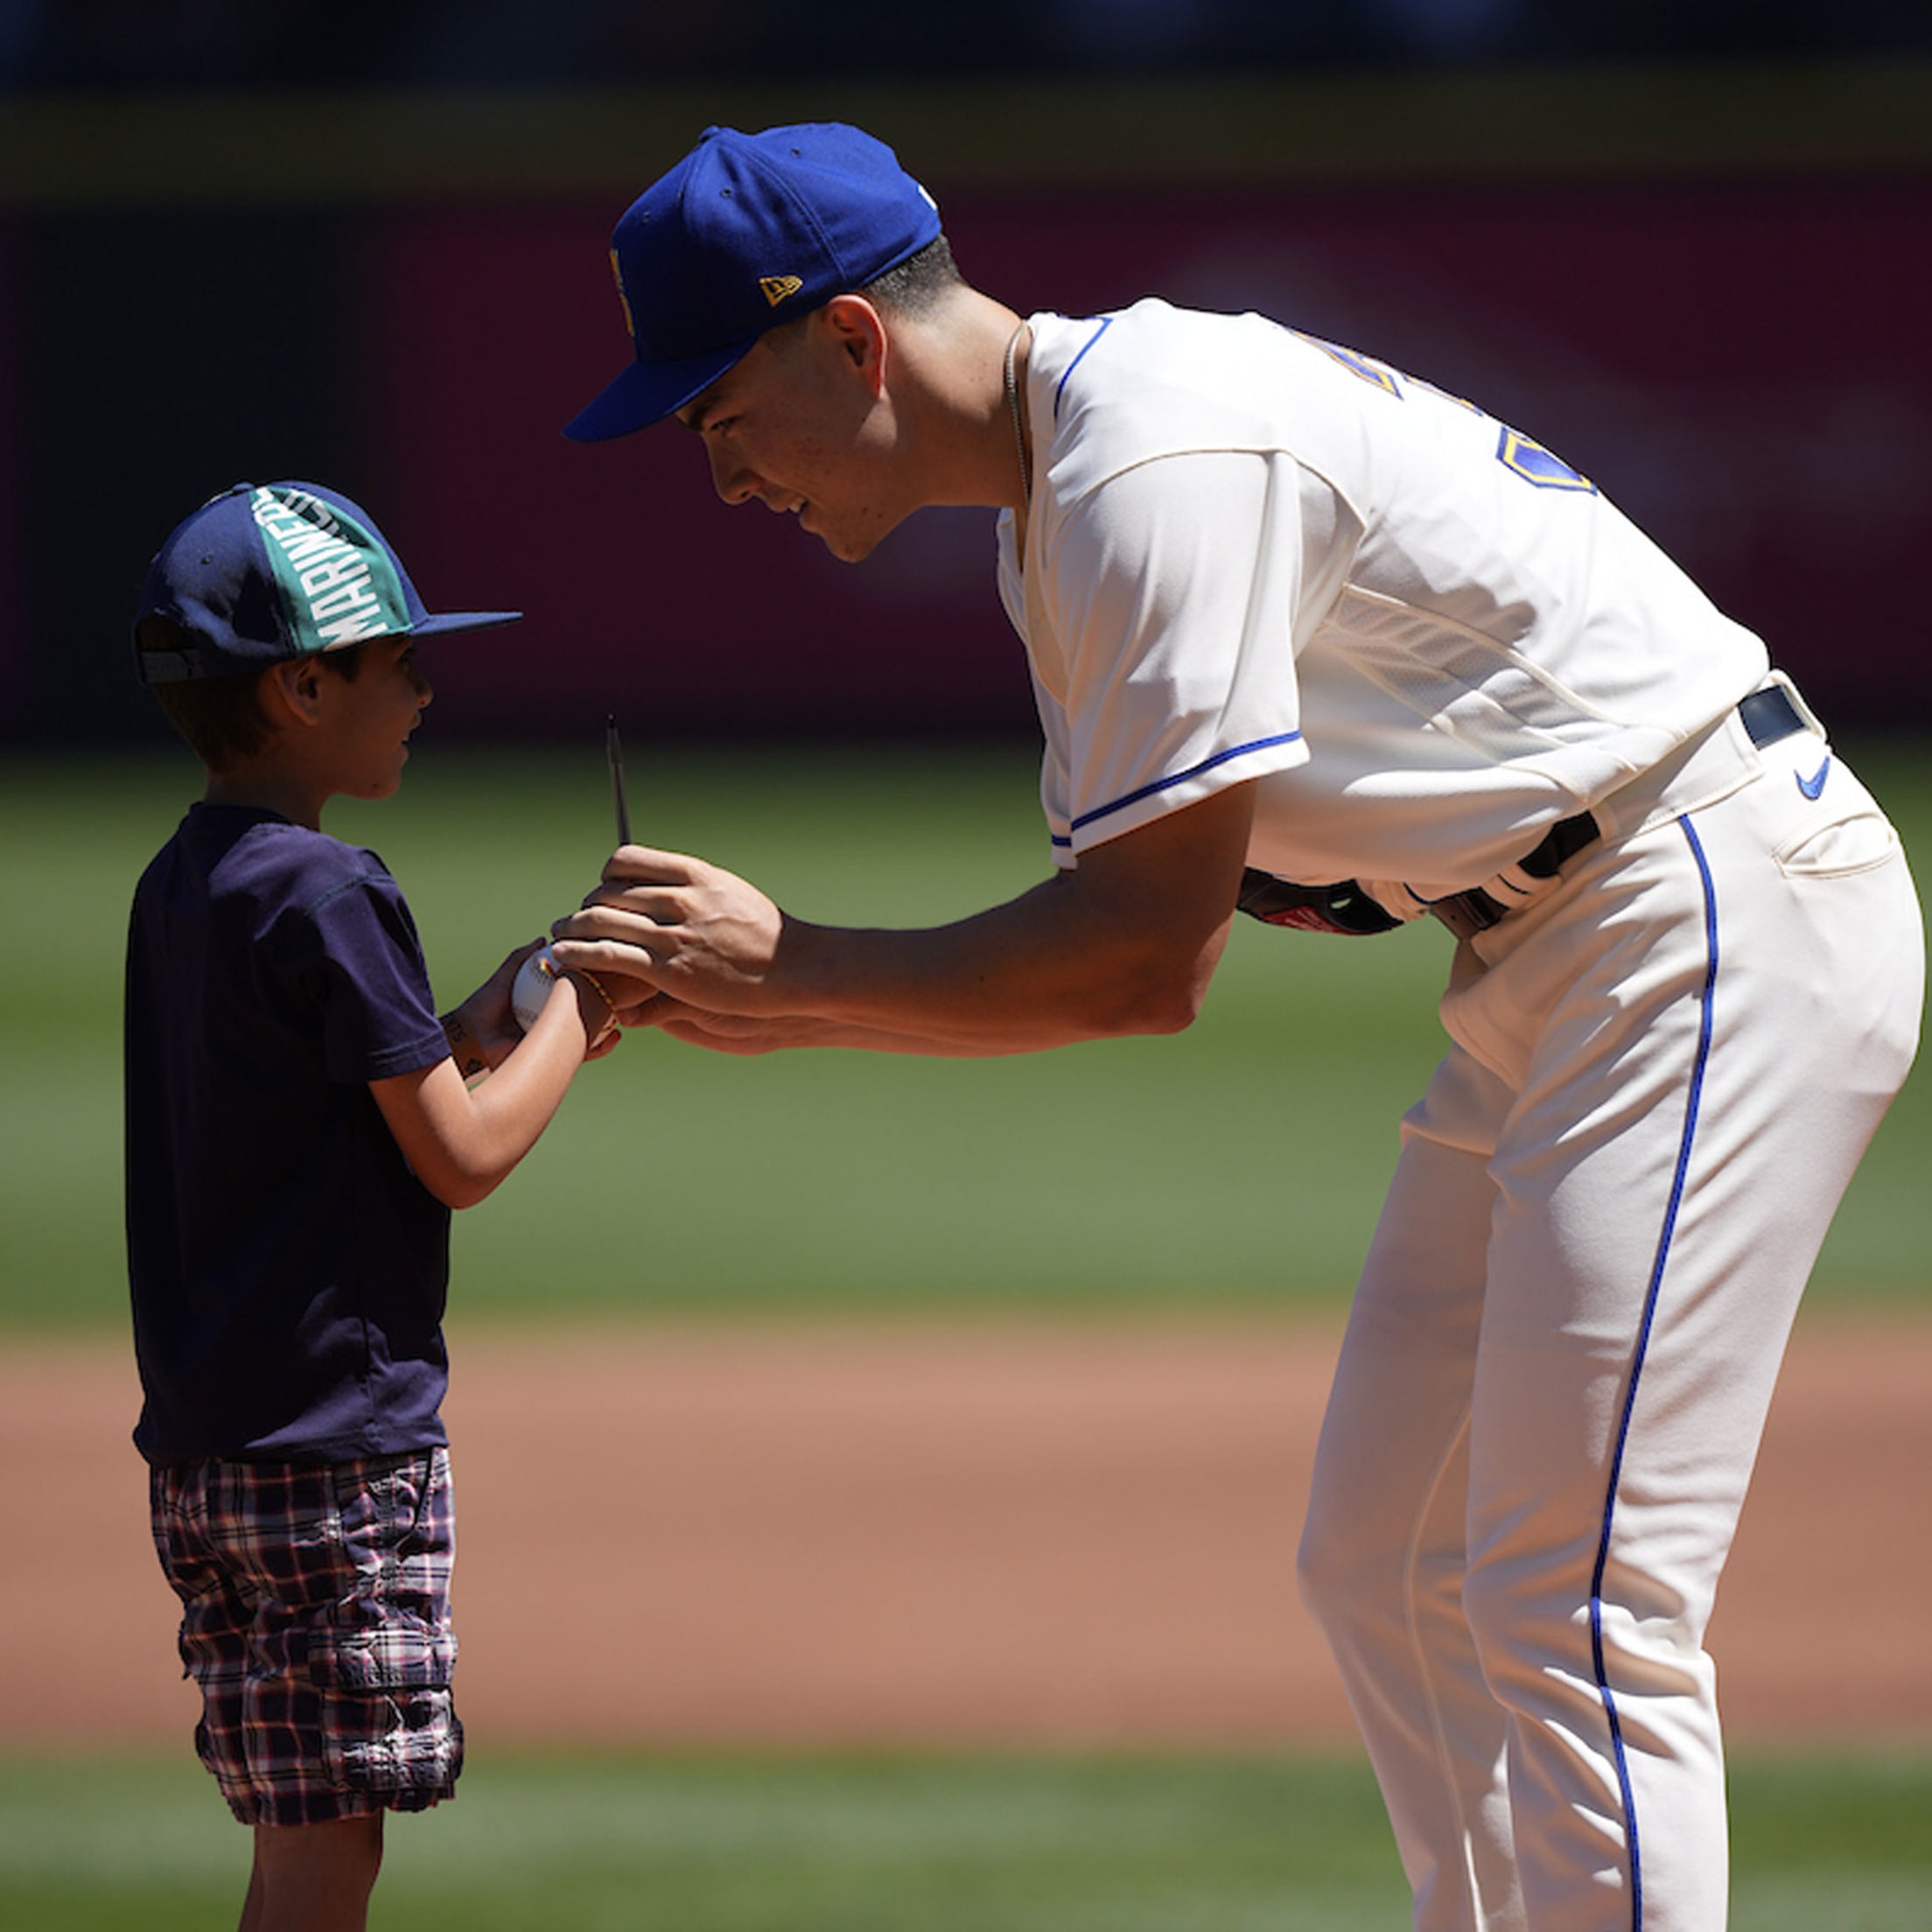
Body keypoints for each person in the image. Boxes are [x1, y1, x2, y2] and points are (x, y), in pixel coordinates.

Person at [551, 124, 1922, 1932]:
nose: (724, 475)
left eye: (721, 415)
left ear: (855, 347)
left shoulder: (1149, 461)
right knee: (1385, 1562)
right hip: (1566, 947)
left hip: (1709, 905)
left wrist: (789, 975)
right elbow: (1230, 890)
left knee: (1579, 1600)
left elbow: (1140, 967)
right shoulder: (1071, 499)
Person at [125, 480, 634, 1932]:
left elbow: (334, 1096)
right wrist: (581, 1005)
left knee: (300, 1832)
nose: (423, 686)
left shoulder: (190, 878)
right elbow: (462, 1158)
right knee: (330, 1851)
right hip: (330, 1453)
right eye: (396, 661)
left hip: (216, 1444)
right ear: (299, 687)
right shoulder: (335, 888)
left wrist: (491, 1015)